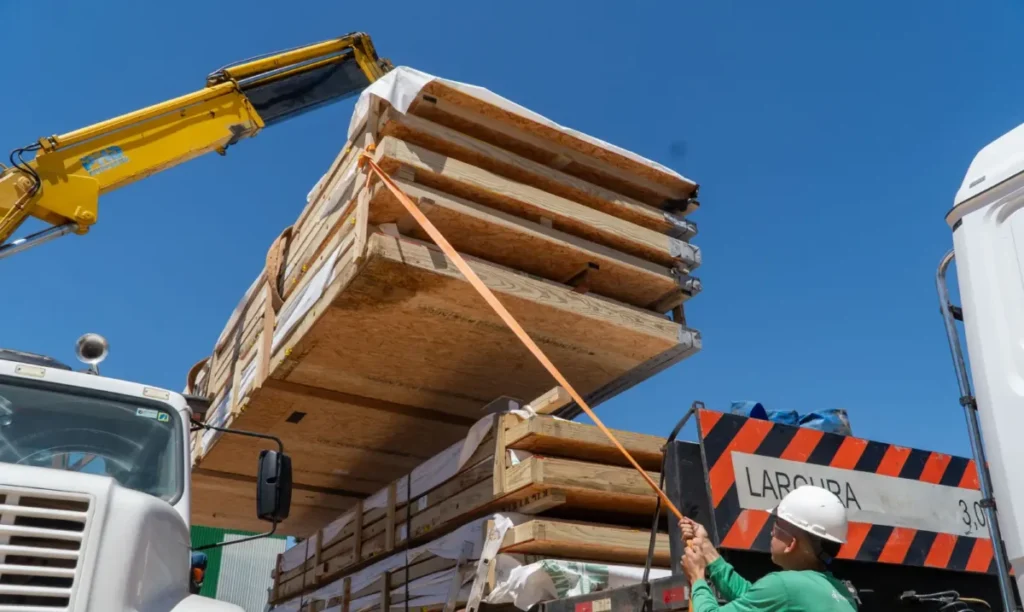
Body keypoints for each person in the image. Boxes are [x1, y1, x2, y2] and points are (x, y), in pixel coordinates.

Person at [679, 485, 858, 611]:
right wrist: (706, 548)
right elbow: (752, 598)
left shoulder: (785, 585)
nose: (771, 533)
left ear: (791, 543)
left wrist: (697, 579)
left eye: (776, 526)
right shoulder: (839, 592)